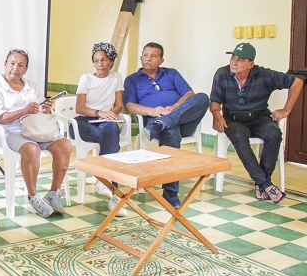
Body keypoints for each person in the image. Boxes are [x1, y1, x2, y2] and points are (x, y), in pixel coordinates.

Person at [210, 43, 302, 203]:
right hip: (234, 119)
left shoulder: (264, 75)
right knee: (239, 137)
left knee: (274, 133)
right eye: (233, 58)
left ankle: (262, 183)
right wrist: (216, 113)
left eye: (240, 60)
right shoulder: (222, 74)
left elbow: (297, 82)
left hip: (260, 118)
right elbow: (215, 101)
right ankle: (266, 184)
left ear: (251, 64)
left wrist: (286, 110)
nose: (234, 62)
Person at [0, 49, 72, 218]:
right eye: (12, 64)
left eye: (20, 65)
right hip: (9, 132)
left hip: (36, 130)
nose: (15, 68)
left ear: (26, 69)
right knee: (32, 149)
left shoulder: (31, 85)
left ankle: (53, 193)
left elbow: (41, 110)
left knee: (65, 145)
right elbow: (0, 119)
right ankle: (33, 196)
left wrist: (46, 109)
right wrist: (22, 111)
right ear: (5, 64)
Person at [123, 42, 209, 208]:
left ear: (161, 60)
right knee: (171, 134)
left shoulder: (172, 73)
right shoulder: (132, 80)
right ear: (141, 58)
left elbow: (190, 94)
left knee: (203, 97)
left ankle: (165, 122)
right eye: (145, 55)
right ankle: (170, 193)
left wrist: (174, 109)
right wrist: (154, 111)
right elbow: (130, 106)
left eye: (153, 56)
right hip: (154, 120)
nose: (148, 59)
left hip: (181, 120)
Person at [73, 42, 127, 216]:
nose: (100, 64)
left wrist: (110, 114)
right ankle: (113, 191)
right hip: (85, 121)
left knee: (110, 130)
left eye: (103, 60)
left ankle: (107, 187)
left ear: (111, 61)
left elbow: (119, 104)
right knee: (110, 136)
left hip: (105, 121)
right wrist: (99, 113)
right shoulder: (86, 79)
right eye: (96, 61)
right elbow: (79, 107)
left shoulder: (116, 77)